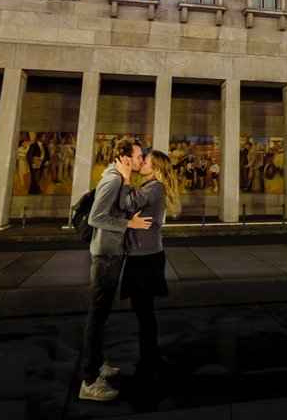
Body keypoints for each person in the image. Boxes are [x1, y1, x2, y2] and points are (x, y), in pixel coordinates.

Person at [79, 141, 151, 402]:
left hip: (111, 253)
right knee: (97, 316)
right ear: (125, 157)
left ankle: (97, 365)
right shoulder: (112, 180)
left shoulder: (118, 177)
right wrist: (127, 223)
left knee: (101, 313)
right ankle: (89, 381)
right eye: (138, 156)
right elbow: (95, 218)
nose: (141, 159)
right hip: (106, 255)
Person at [117, 149, 180, 381]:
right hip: (147, 256)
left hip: (144, 258)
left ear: (156, 168)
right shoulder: (150, 186)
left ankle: (149, 362)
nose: (141, 162)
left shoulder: (153, 187)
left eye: (147, 161)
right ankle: (151, 358)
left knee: (144, 314)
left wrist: (124, 177)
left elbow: (126, 204)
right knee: (145, 313)